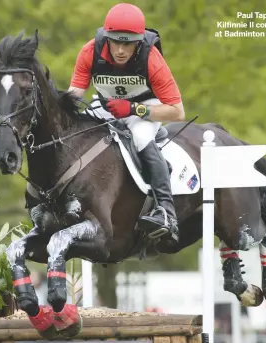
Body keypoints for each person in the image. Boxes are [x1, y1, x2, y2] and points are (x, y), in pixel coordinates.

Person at [68, 3, 185, 245]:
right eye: (115, 42)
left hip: (146, 108)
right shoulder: (90, 51)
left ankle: (166, 211)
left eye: (128, 43)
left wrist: (134, 109)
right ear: (106, 37)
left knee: (141, 137)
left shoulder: (152, 59)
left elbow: (177, 111)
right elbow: (74, 96)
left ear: (139, 42)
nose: (121, 50)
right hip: (106, 105)